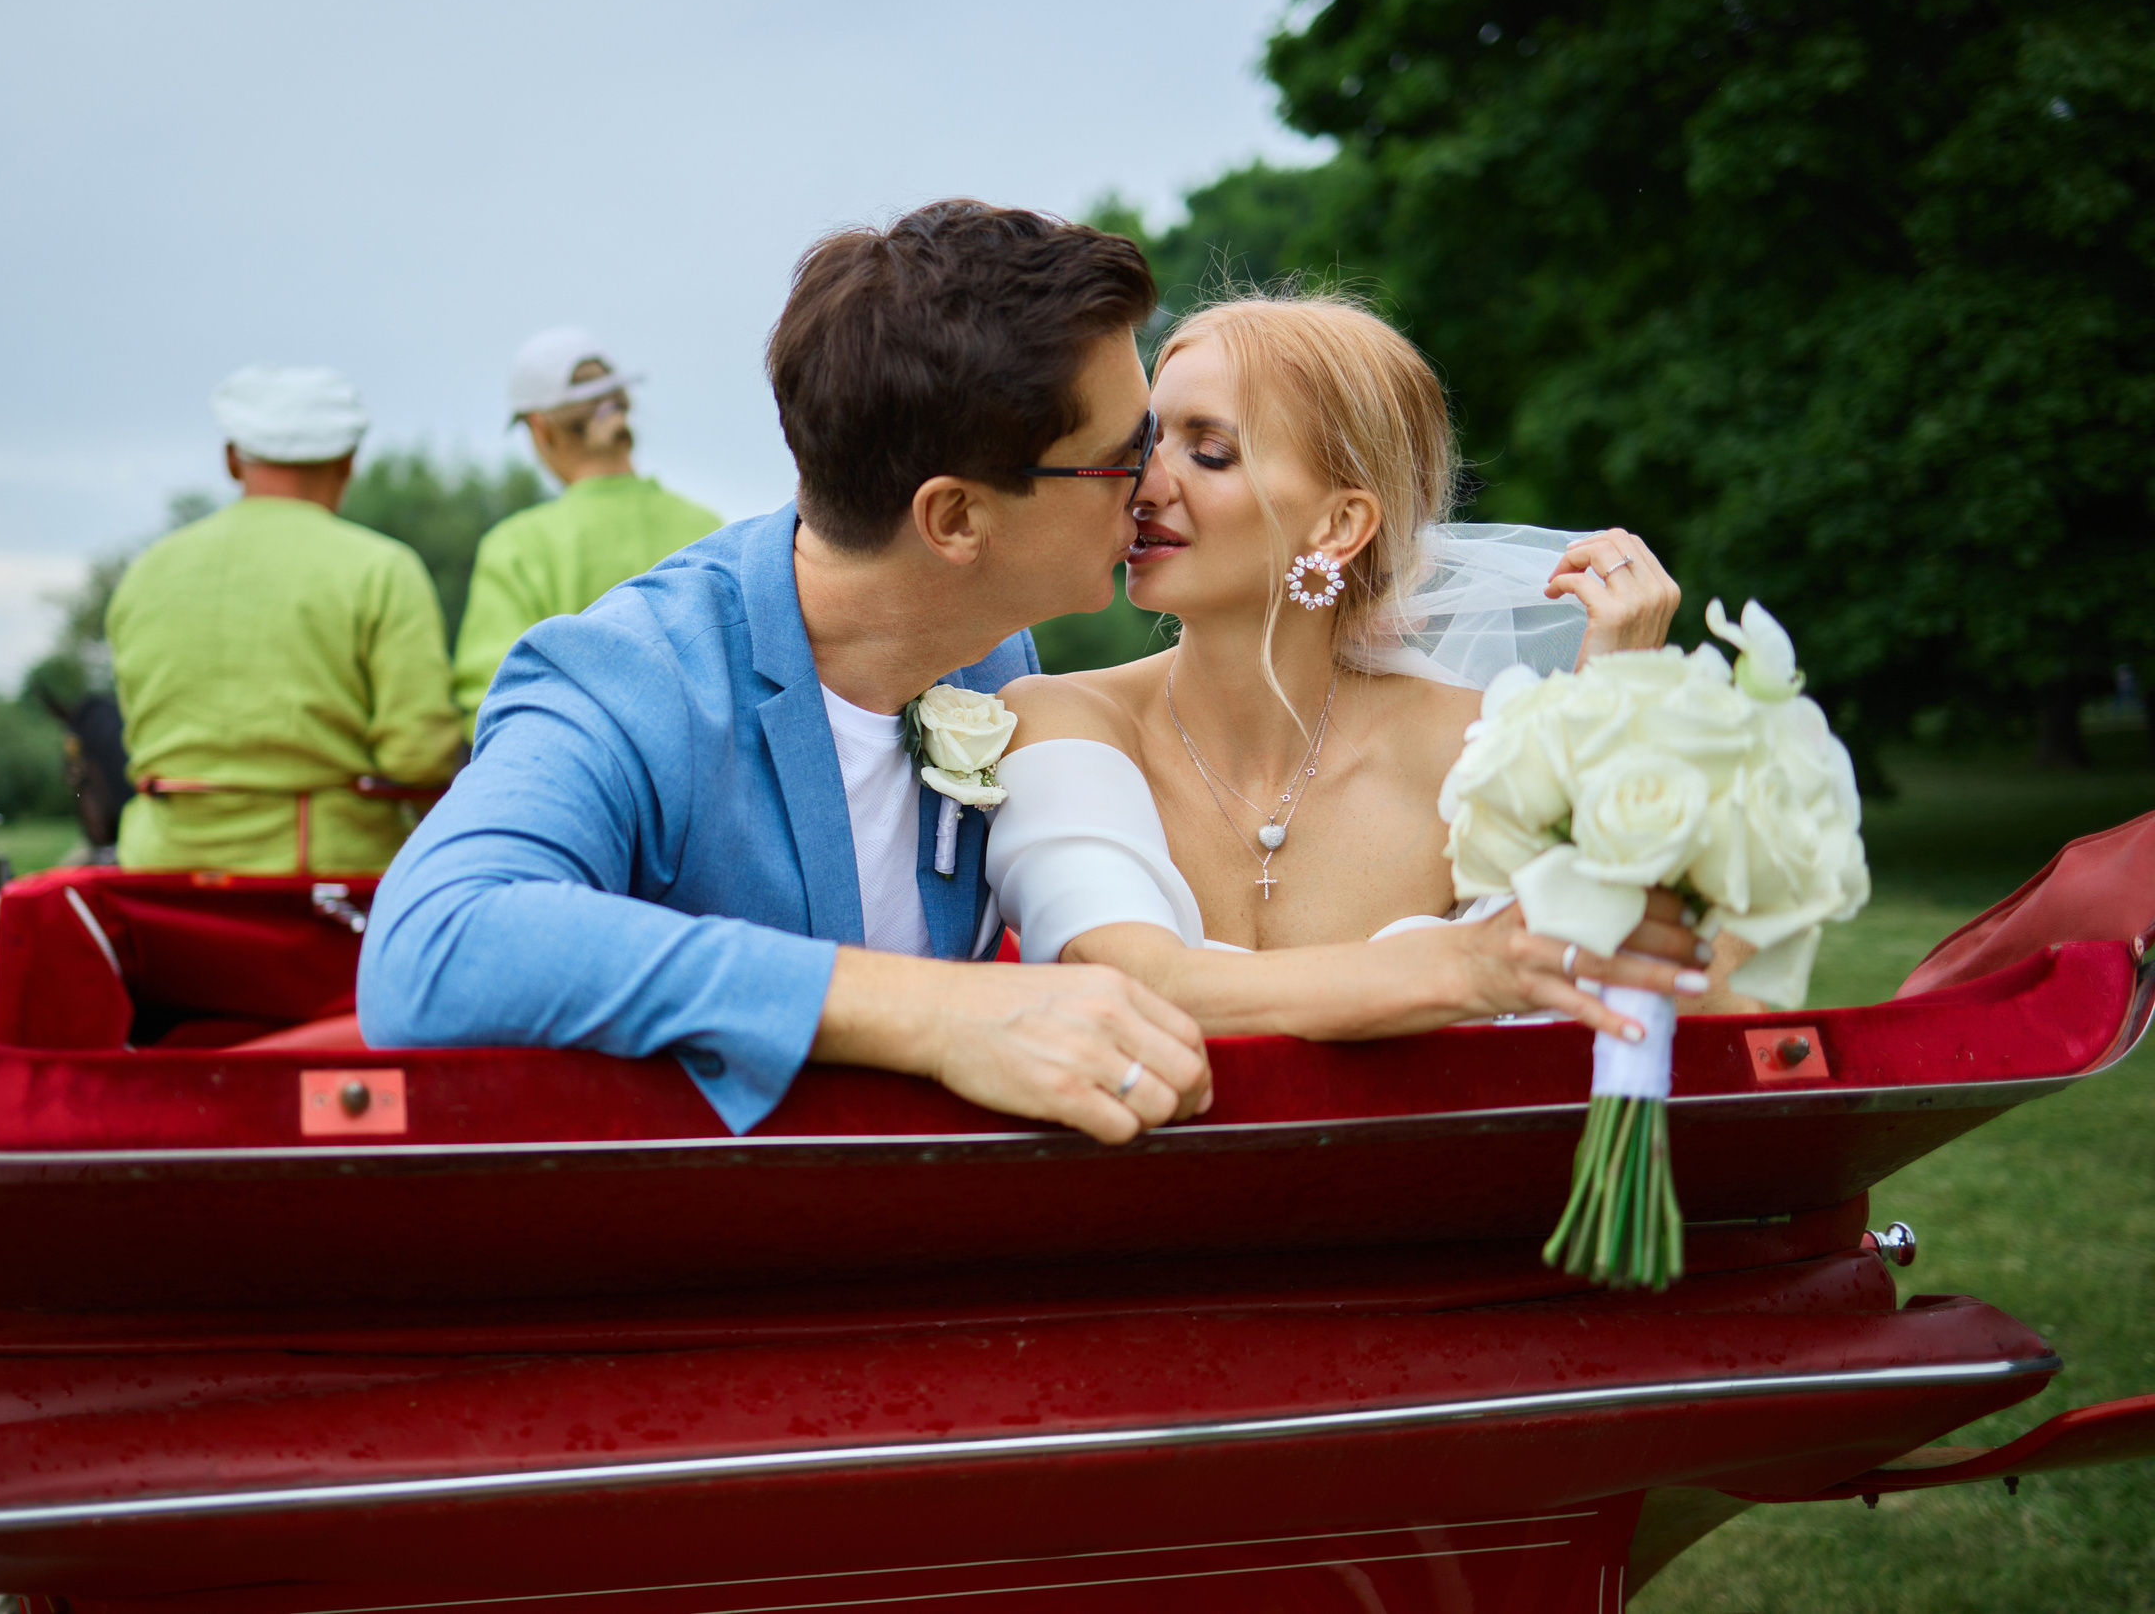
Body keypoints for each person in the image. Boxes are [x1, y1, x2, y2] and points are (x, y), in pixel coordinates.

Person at [361, 202, 1690, 1146]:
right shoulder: (629, 679)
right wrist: (943, 1010)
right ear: (954, 520)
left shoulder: (991, 656)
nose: (1153, 483)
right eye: (1125, 454)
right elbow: (431, 949)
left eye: (1186, 446)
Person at [987, 291, 1720, 1023]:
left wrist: (1612, 712)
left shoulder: (1488, 751)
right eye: (1143, 446)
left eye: (1210, 453)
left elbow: (1656, 997)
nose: (1143, 487)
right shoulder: (1062, 718)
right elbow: (1122, 983)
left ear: (1340, 524)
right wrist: (1469, 965)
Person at [108, 364, 458, 875]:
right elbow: (418, 758)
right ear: (347, 461)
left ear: (232, 460)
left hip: (160, 876)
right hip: (326, 883)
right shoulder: (382, 569)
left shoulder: (145, 572)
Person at [450, 328, 723, 743]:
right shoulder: (707, 529)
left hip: (586, 790)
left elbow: (492, 697)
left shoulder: (517, 548)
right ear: (622, 410)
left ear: (541, 430)